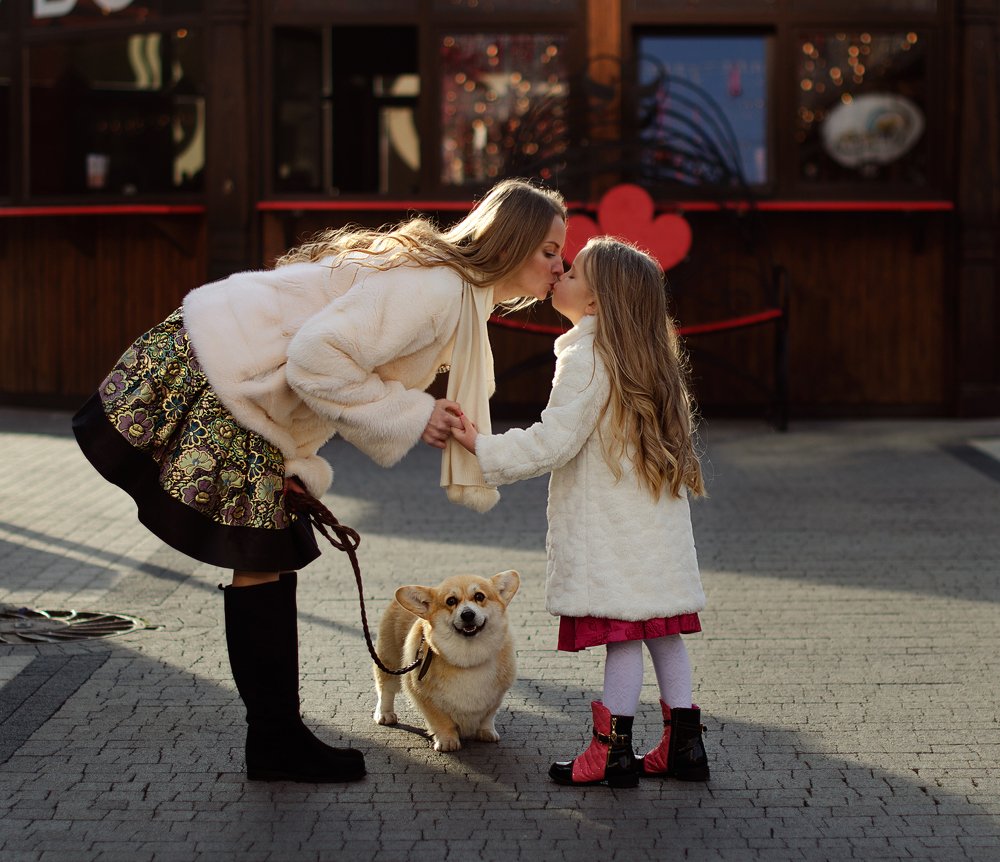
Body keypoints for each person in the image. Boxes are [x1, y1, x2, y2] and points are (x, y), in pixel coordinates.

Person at [72, 178, 568, 784]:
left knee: (267, 559)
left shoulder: (455, 295)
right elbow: (315, 358)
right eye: (549, 250)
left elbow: (329, 377)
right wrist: (417, 414)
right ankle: (277, 742)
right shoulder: (439, 291)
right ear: (512, 244)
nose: (558, 264)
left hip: (232, 372)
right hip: (226, 374)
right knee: (262, 558)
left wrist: (302, 461)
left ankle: (276, 740)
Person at [451, 236, 709, 788]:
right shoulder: (653, 362)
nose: (559, 274)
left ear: (594, 304)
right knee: (663, 632)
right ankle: (685, 746)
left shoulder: (588, 357)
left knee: (622, 636)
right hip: (656, 532)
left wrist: (482, 445)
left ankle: (611, 752)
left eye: (571, 273)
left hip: (610, 532)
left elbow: (553, 441)